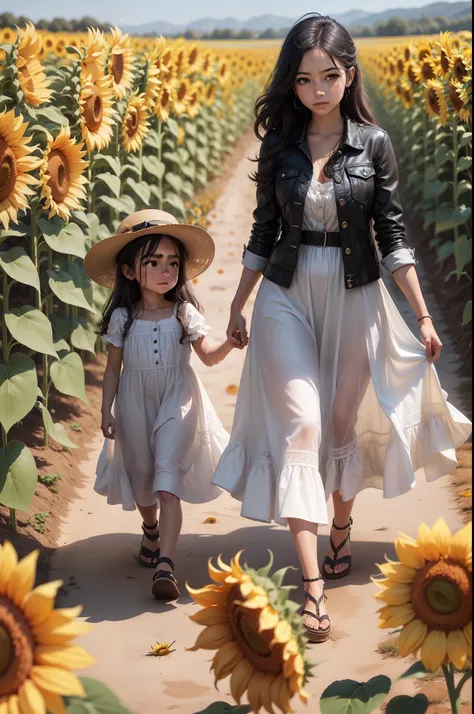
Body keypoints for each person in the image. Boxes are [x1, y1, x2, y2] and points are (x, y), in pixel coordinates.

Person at [212, 14, 472, 643]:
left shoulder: (373, 143)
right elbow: (261, 232)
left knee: (338, 425)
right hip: (286, 292)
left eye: (329, 76)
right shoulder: (280, 146)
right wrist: (240, 303)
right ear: (293, 85)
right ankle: (312, 588)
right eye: (304, 80)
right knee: (302, 424)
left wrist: (424, 314)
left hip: (355, 293)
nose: (318, 90)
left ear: (348, 74)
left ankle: (341, 528)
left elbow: (394, 235)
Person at [84, 209, 238, 601]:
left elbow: (208, 356)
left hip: (178, 400)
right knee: (143, 480)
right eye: (154, 262)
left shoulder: (185, 313)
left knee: (167, 479)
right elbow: (114, 369)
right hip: (134, 404)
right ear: (130, 271)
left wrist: (231, 342)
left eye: (173, 262)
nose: (166, 270)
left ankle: (165, 564)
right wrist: (106, 411)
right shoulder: (123, 317)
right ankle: (150, 529)